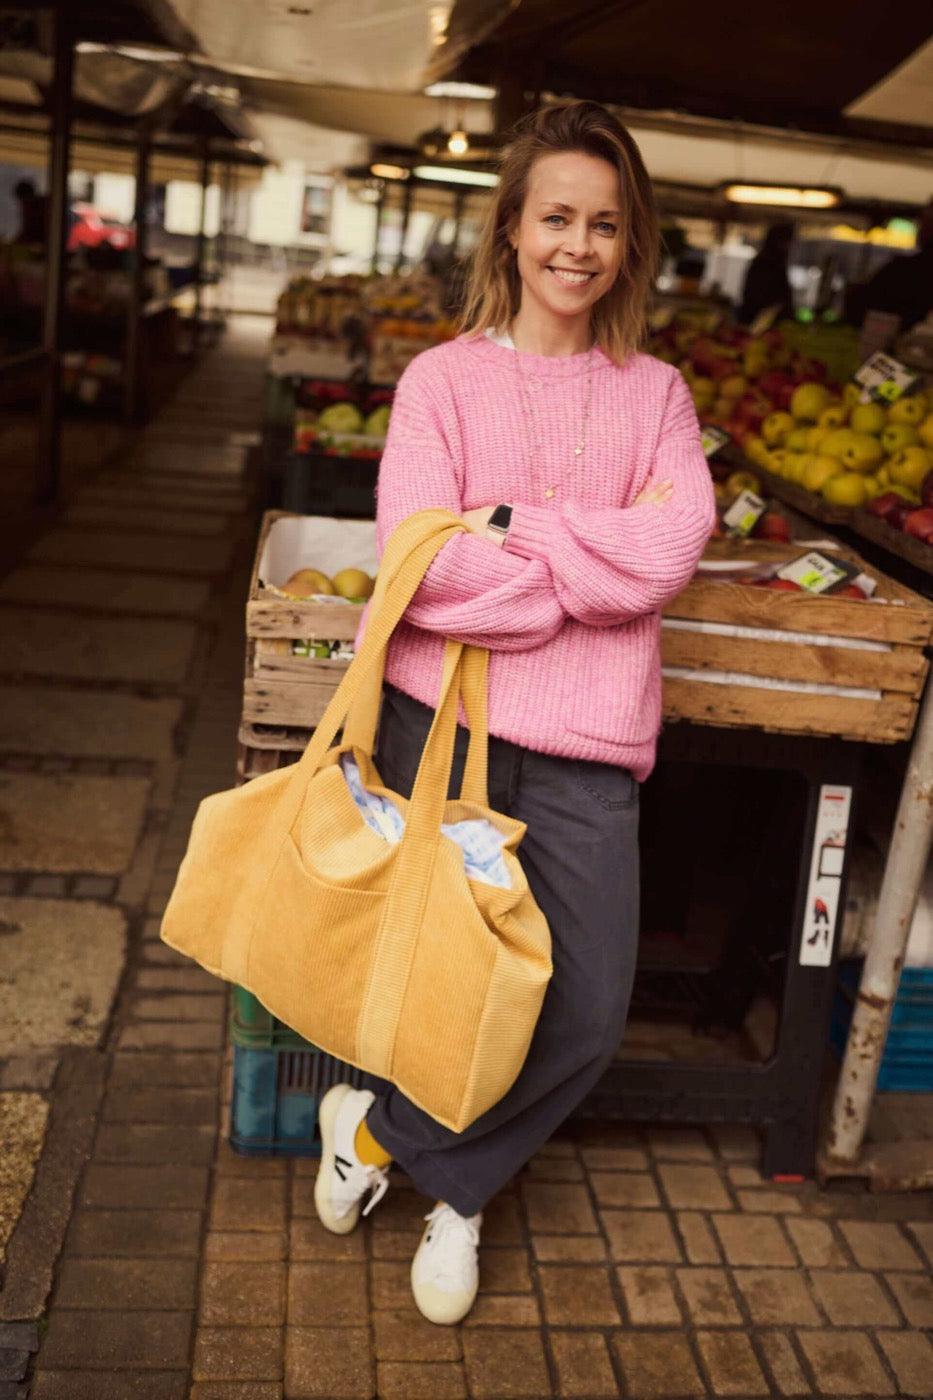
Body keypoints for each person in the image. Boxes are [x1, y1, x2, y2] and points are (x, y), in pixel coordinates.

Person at [313, 100, 715, 1326]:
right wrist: (567, 584)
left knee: (586, 1013)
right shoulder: (440, 381)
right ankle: (466, 1199)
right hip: (450, 734)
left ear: (627, 240)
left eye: (603, 223)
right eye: (557, 218)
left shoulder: (658, 396)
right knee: (450, 990)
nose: (577, 246)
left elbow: (670, 551)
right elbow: (421, 566)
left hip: (590, 751)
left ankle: (384, 1138)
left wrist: (519, 532)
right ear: (514, 230)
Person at [855, 203, 933, 333]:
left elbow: (860, 306)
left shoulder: (904, 270)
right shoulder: (902, 269)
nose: (921, 227)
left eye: (926, 221)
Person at [738, 220, 795, 326]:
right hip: (759, 321)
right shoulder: (767, 264)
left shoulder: (774, 263)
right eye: (786, 241)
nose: (789, 246)